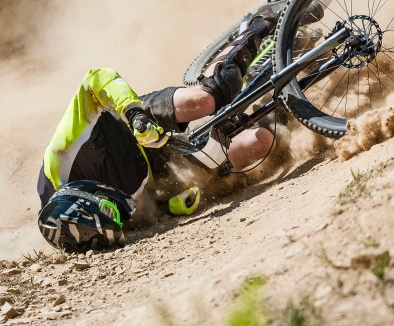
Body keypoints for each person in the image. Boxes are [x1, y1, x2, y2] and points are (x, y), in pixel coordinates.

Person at [37, 15, 277, 253]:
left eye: (112, 212)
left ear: (85, 197)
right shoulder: (94, 223)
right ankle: (287, 94)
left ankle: (258, 26)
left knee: (206, 99)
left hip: (131, 123)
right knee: (260, 142)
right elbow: (146, 208)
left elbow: (96, 78)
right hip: (154, 166)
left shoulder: (63, 155)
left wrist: (134, 115)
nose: (118, 213)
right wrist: (170, 205)